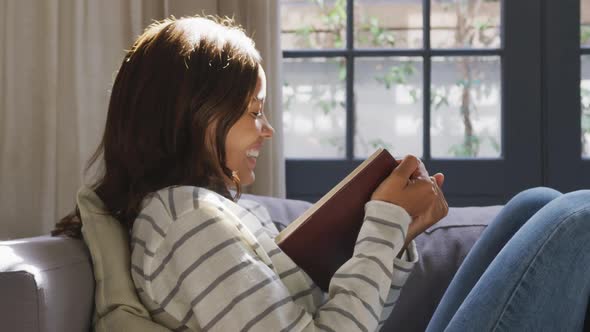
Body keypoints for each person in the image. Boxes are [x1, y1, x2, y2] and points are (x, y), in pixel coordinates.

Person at [51, 15, 589, 332]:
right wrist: (380, 226)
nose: (266, 131)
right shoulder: (185, 221)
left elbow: (339, 314)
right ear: (191, 116)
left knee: (535, 204)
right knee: (575, 217)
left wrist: (395, 235)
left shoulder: (215, 211)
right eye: (252, 111)